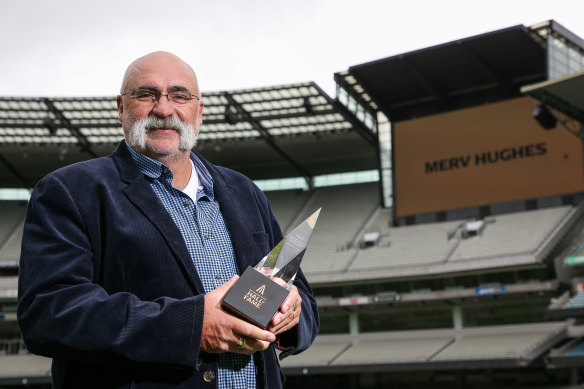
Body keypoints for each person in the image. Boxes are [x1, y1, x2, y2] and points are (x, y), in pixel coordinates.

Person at [17, 51, 319, 389]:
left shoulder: (243, 190)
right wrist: (191, 327)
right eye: (146, 94)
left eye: (179, 95)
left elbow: (303, 300)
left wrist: (291, 314)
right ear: (121, 108)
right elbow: (48, 313)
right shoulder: (71, 190)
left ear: (199, 111)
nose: (163, 109)